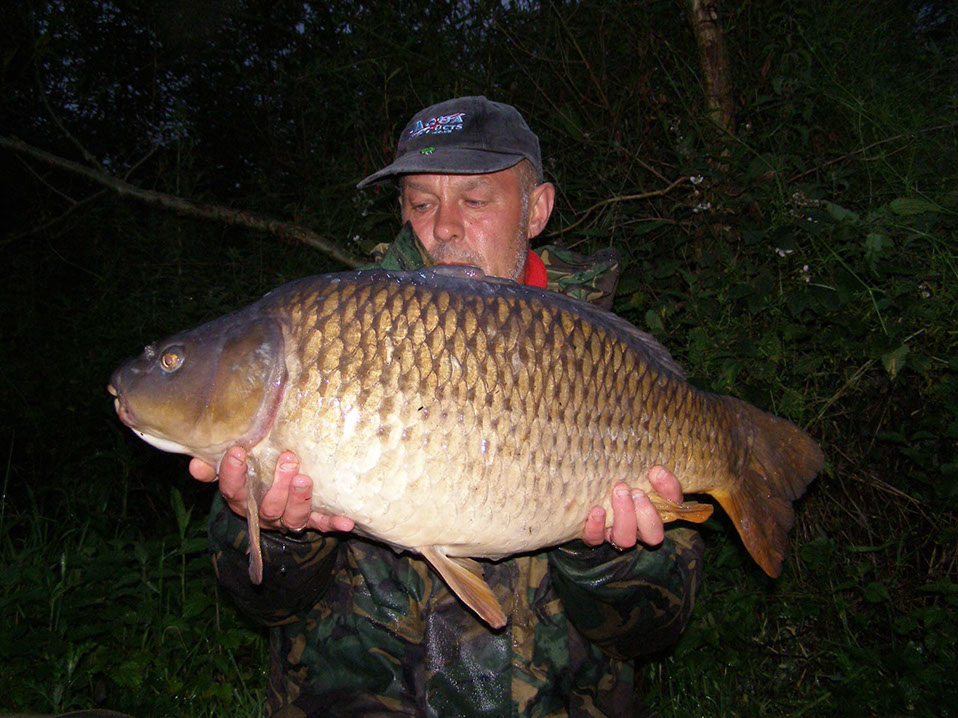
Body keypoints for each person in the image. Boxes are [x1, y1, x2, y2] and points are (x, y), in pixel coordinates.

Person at [190, 96, 704, 717]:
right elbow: (261, 603)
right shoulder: (333, 336)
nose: (445, 228)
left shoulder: (606, 362)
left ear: (537, 209)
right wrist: (281, 538)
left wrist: (599, 556)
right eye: (422, 203)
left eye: (475, 200)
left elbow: (653, 632)